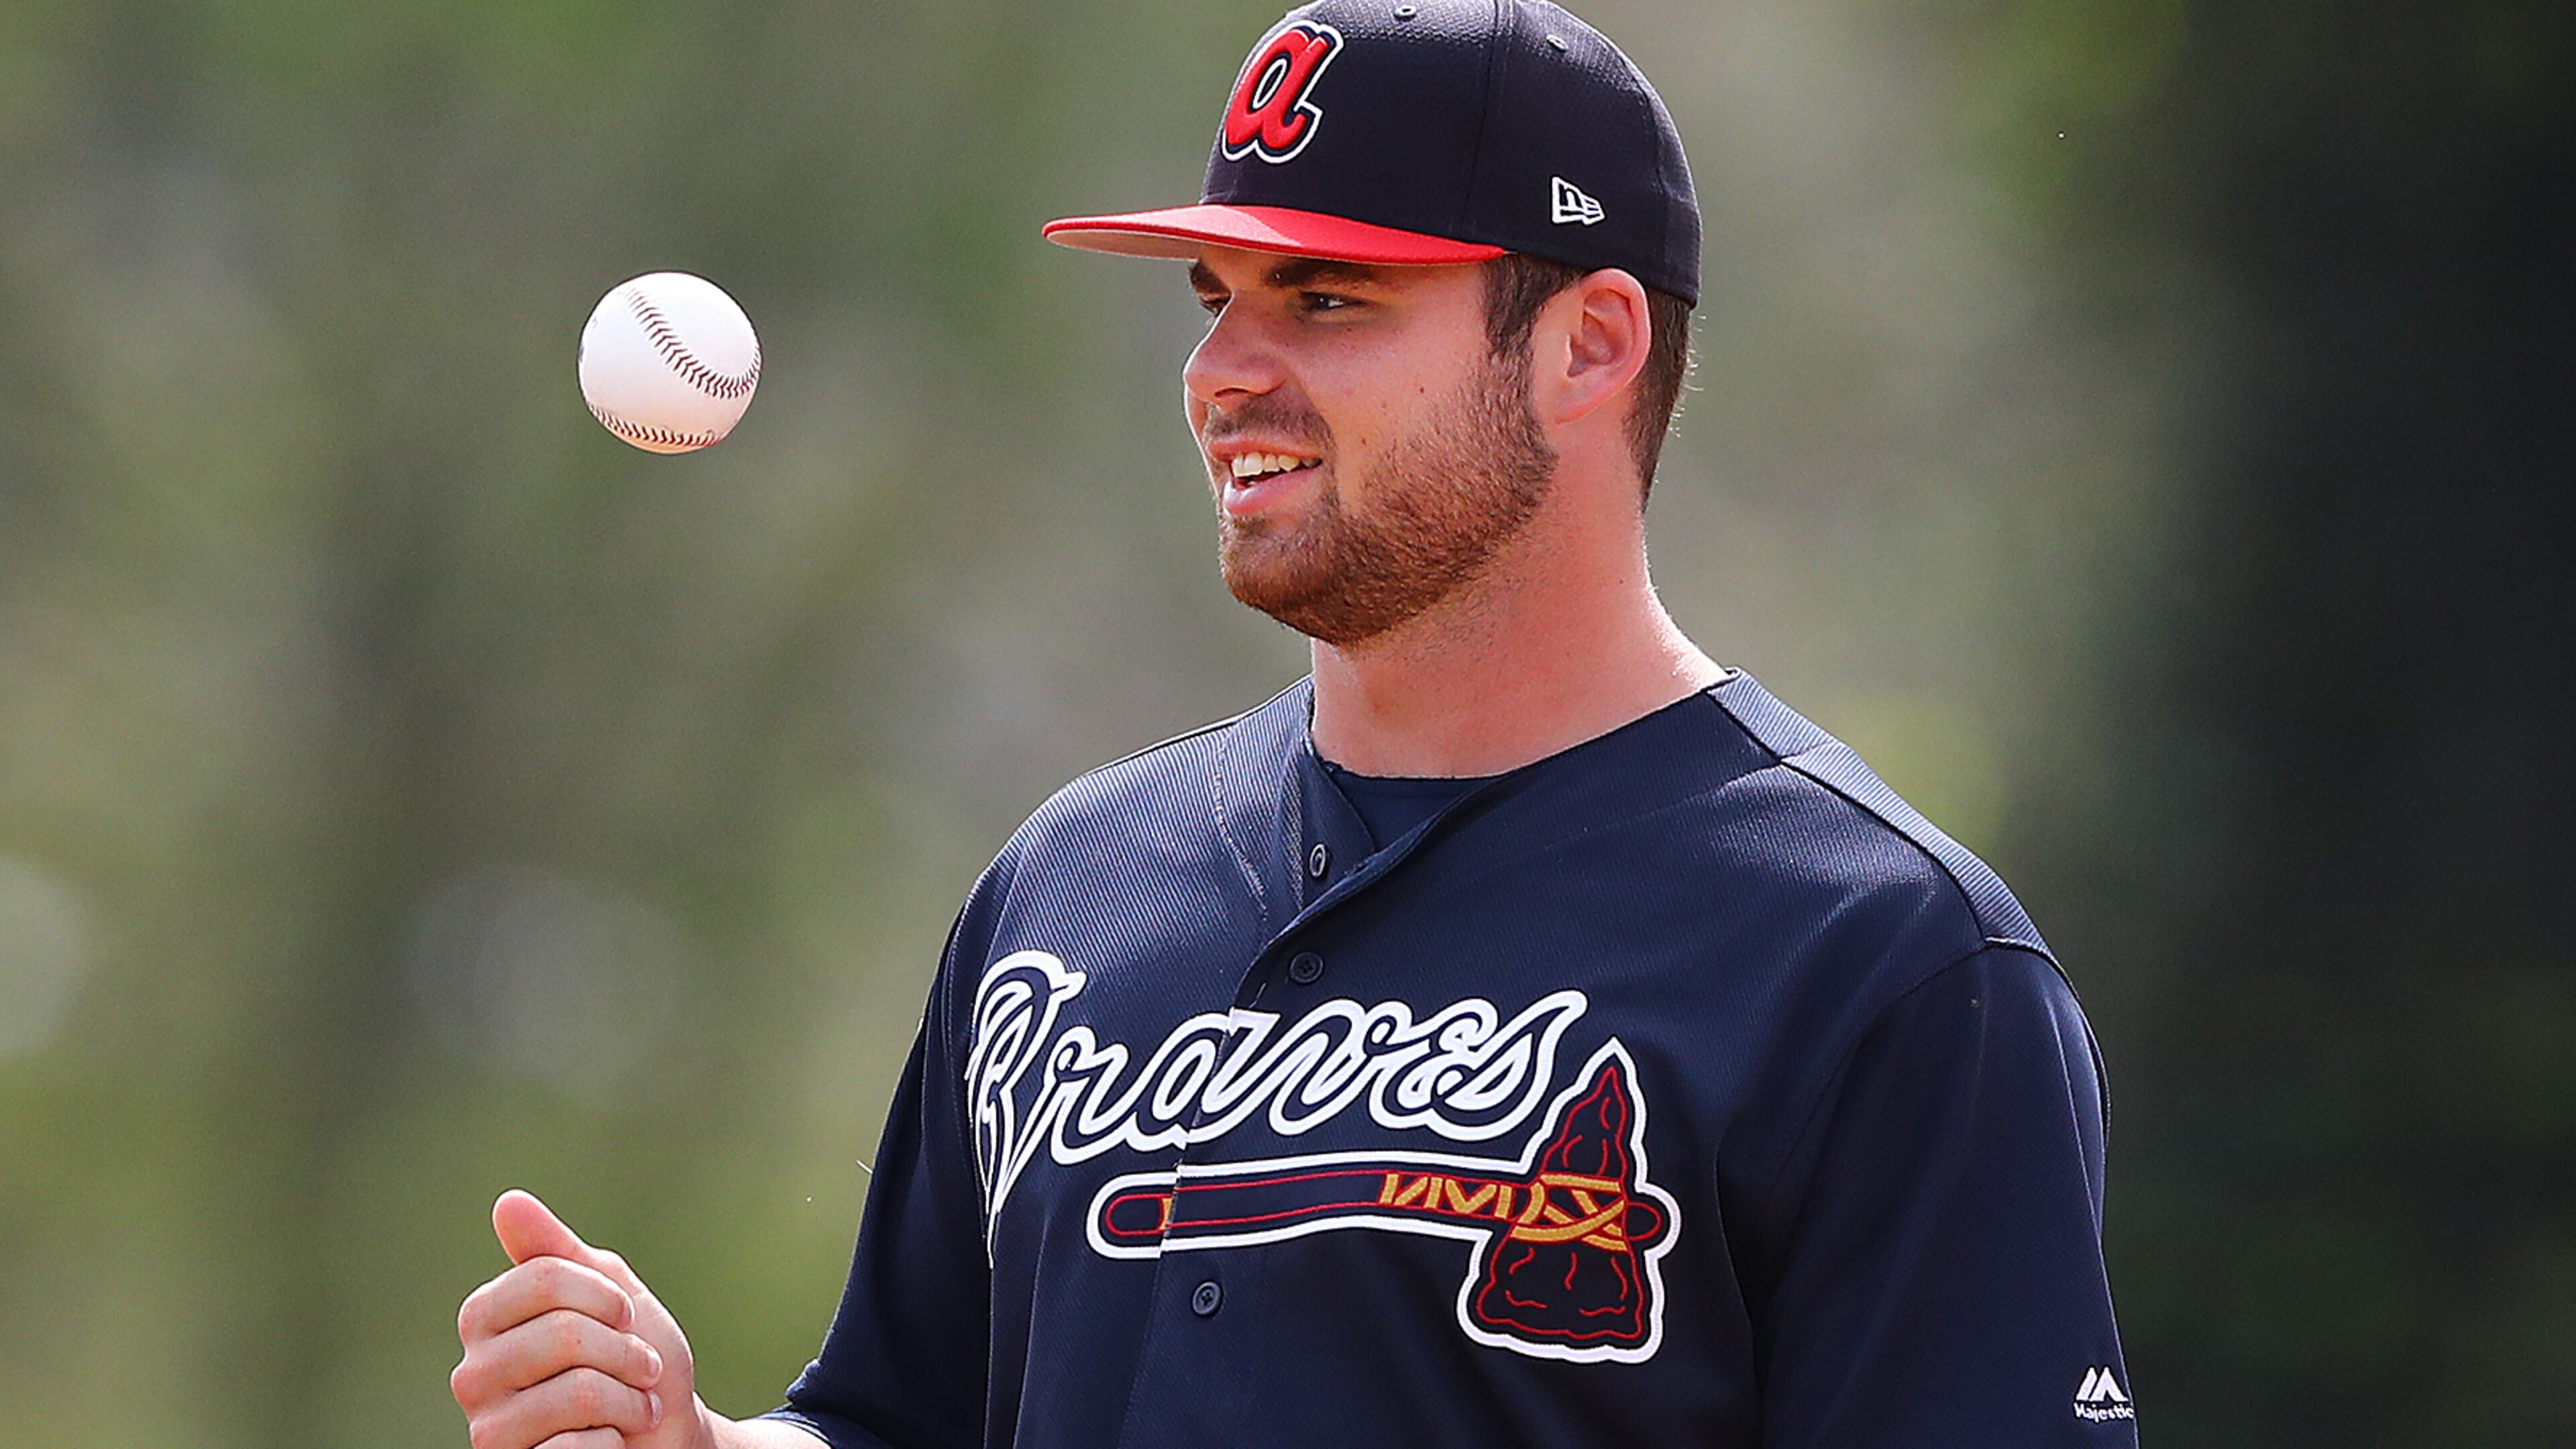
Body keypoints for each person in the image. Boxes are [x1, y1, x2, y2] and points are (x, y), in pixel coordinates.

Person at [449, 2, 2137, 1445]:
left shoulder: (1884, 966)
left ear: (1588, 342)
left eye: (1327, 299)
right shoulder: (1071, 887)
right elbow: (894, 1419)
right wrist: (705, 1436)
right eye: (1213, 300)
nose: (1224, 372)